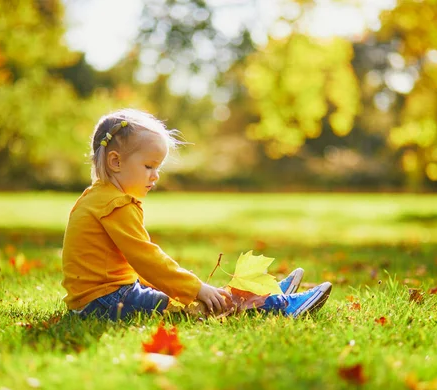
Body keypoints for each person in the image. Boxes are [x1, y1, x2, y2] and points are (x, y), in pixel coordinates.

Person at [61, 109, 332, 321]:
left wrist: (180, 286)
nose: (155, 176)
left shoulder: (96, 197)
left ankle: (259, 294)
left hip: (96, 300)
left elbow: (131, 267)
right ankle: (271, 306)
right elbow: (147, 260)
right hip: (106, 302)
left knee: (187, 296)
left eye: (158, 167)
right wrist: (195, 288)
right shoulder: (116, 205)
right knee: (194, 303)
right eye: (148, 166)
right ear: (116, 161)